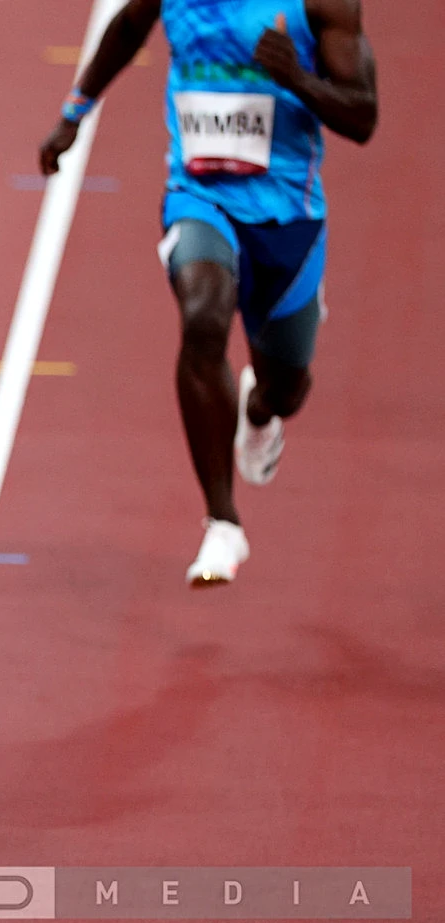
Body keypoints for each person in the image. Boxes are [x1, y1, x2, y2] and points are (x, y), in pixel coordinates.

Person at [40, 0, 377, 585]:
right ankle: (223, 523)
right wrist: (75, 111)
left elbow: (364, 117)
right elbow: (126, 28)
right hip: (199, 196)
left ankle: (260, 407)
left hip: (287, 220)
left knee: (287, 386)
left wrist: (297, 78)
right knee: (203, 317)